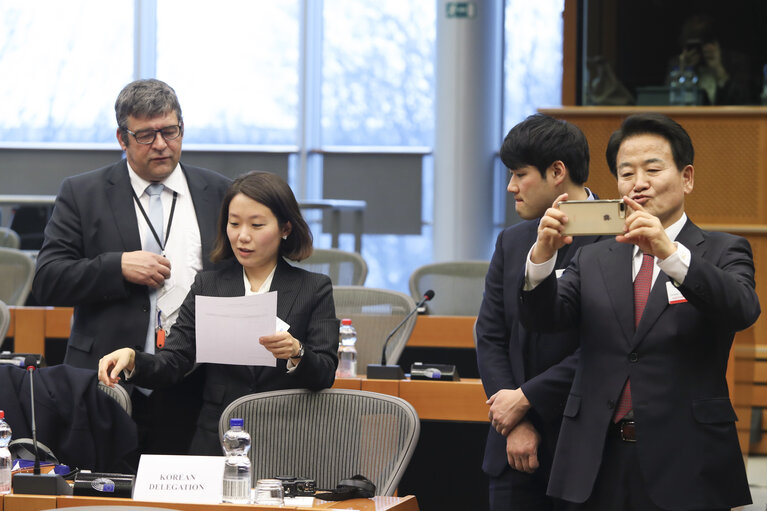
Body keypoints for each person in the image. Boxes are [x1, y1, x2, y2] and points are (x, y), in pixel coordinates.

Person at [520, 113, 759, 510]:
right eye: (626, 172)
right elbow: (545, 321)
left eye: (653, 168)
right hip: (596, 458)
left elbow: (741, 309)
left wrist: (669, 253)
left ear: (687, 178)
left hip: (687, 458)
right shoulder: (595, 257)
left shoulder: (722, 251)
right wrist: (541, 260)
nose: (639, 182)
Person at [33, 78, 231, 456]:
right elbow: (47, 279)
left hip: (195, 382)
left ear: (182, 128)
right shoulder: (82, 193)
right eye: (145, 135)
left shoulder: (219, 192)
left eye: (169, 131)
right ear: (122, 138)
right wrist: (116, 267)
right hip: (107, 379)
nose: (160, 144)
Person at [98, 171, 339, 455]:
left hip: (286, 435)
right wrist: (133, 360)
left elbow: (324, 373)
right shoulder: (209, 284)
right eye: (234, 223)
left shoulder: (313, 288)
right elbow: (175, 361)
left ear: (285, 228)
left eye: (257, 225)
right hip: (217, 437)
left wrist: (297, 352)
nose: (243, 236)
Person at [476, 113, 604, 510]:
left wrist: (527, 398)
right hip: (512, 449)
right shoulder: (513, 241)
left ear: (557, 172)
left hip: (586, 446)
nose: (511, 187)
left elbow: (605, 346)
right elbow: (491, 335)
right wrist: (514, 419)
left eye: (519, 174)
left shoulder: (618, 239)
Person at [669, 13, 757, 105]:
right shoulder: (677, 63)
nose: (701, 50)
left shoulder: (735, 62)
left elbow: (744, 102)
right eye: (693, 46)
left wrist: (719, 71)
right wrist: (683, 71)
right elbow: (665, 102)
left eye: (705, 43)